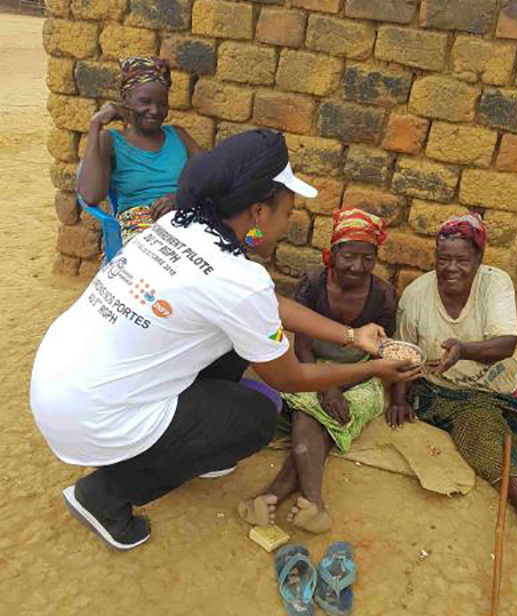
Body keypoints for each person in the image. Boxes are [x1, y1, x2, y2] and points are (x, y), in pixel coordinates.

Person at [30, 129, 420, 551]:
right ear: (257, 212)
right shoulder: (236, 279)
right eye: (287, 211)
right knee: (256, 418)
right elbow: (288, 378)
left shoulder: (178, 227)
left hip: (60, 381)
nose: (289, 223)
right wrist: (375, 367)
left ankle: (192, 446)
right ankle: (102, 497)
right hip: (92, 416)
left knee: (240, 341)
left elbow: (268, 305)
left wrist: (353, 336)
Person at [395, 213, 517, 543]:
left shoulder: (495, 283)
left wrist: (464, 350)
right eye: (443, 259)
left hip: (502, 382)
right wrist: (401, 399)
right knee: (480, 427)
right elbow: (405, 352)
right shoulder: (416, 296)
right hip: (447, 391)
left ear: (479, 259)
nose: (451, 268)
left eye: (462, 259)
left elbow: (507, 344)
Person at [239, 208, 405, 534]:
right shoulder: (313, 282)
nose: (357, 267)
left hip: (361, 375)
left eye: (367, 258)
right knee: (311, 410)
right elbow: (302, 343)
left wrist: (341, 387)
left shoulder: (383, 295)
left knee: (323, 417)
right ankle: (313, 501)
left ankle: (271, 494)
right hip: (311, 366)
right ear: (333, 252)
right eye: (349, 256)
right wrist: (327, 387)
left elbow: (381, 352)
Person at [77, 56, 203, 244]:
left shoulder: (178, 135)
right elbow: (91, 195)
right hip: (140, 226)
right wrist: (95, 125)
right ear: (125, 99)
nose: (155, 110)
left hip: (185, 217)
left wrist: (180, 198)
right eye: (145, 101)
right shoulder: (111, 141)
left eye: (162, 104)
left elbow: (212, 175)